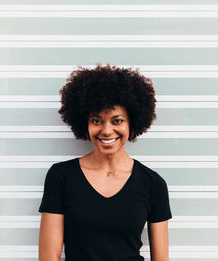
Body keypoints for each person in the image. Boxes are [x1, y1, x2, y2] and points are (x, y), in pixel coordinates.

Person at [38, 63, 172, 261]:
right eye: (97, 120)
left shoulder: (153, 183)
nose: (107, 130)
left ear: (132, 122)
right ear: (85, 123)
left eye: (117, 120)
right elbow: (49, 256)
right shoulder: (62, 176)